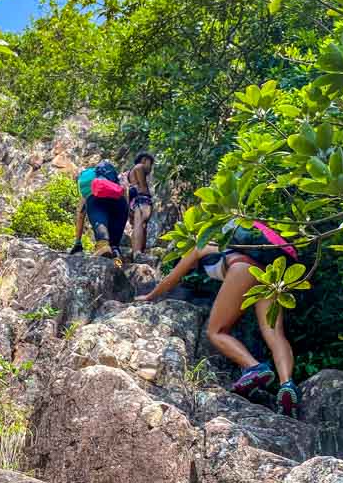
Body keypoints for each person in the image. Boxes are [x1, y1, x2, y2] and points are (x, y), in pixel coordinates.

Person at [136, 220, 303, 418]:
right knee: (274, 333)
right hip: (270, 276)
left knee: (216, 332)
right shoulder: (233, 242)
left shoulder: (202, 244)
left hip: (242, 270)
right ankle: (287, 383)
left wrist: (149, 296)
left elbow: (173, 277)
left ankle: (254, 368)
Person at [69, 161, 128, 259]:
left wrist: (78, 242)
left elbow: (80, 214)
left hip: (96, 200)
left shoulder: (85, 182)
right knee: (114, 245)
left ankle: (103, 244)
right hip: (120, 201)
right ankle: (116, 255)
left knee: (99, 221)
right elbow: (124, 191)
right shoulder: (110, 176)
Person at [127, 152, 155, 255]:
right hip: (142, 198)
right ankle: (138, 252)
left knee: (138, 224)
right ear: (144, 160)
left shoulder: (130, 172)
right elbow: (142, 186)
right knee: (141, 223)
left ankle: (136, 251)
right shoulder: (139, 166)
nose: (150, 168)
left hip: (134, 199)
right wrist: (146, 193)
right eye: (150, 163)